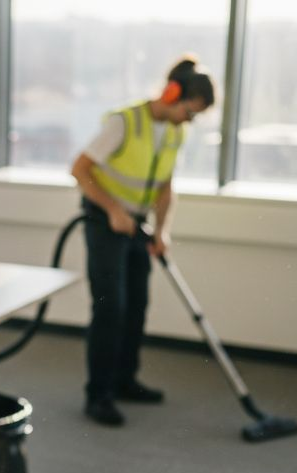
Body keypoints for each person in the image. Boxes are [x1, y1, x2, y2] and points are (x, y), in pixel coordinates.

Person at [71, 56, 216, 427]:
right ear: (172, 94)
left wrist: (163, 230)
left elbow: (166, 187)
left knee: (137, 303)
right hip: (104, 220)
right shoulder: (125, 122)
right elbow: (80, 169)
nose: (190, 120)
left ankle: (124, 380)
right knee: (110, 307)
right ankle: (98, 395)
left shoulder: (175, 132)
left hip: (137, 224)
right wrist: (113, 211)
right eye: (190, 111)